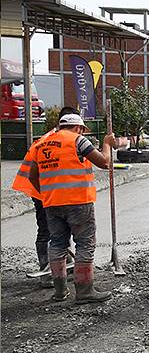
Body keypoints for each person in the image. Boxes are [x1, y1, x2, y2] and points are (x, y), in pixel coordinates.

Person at [28, 114, 115, 304]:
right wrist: (107, 144)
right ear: (79, 128)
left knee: (58, 243)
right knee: (85, 243)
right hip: (78, 201)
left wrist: (46, 194)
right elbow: (104, 162)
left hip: (51, 203)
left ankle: (60, 291)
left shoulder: (41, 144)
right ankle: (84, 291)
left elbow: (32, 176)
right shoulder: (78, 140)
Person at [12, 106, 79, 287]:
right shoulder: (48, 141)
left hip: (51, 190)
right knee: (46, 230)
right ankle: (46, 271)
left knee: (60, 230)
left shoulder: (61, 138)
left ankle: (62, 267)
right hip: (41, 190)